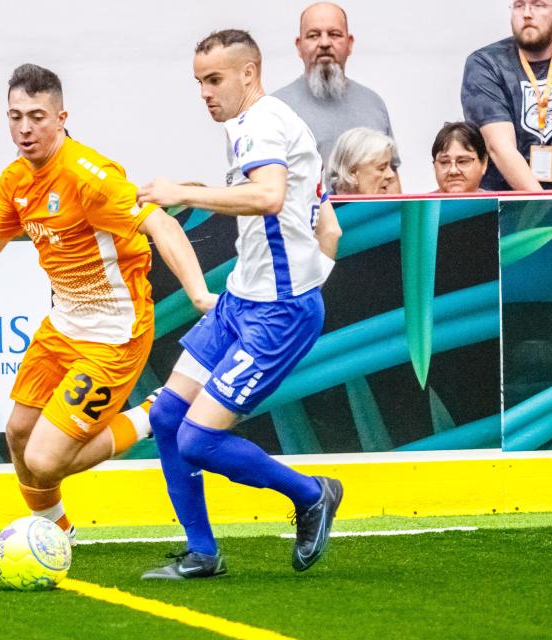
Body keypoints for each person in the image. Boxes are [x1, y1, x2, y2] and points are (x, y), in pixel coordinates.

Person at [0, 63, 215, 542]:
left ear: (61, 118)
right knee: (18, 431)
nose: (25, 128)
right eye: (15, 116)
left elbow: (161, 223)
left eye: (36, 116)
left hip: (113, 336)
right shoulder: (16, 180)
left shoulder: (87, 175)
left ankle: (154, 414)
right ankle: (54, 528)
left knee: (42, 459)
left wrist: (199, 294)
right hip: (63, 327)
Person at [136, 29, 343, 579]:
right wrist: (312, 277)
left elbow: (269, 196)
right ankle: (202, 553)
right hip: (243, 301)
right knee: (167, 414)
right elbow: (331, 226)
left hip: (276, 314)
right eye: (199, 81)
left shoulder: (261, 124)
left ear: (249, 74)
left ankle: (311, 495)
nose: (205, 92)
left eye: (215, 79)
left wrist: (182, 193)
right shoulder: (257, 126)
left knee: (198, 440)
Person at [461, 0, 552, 191]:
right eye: (519, 5)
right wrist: (542, 205)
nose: (527, 13)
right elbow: (499, 147)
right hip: (508, 206)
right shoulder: (485, 63)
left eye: (538, 5)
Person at [273, 2, 400, 191]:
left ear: (350, 44)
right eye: (314, 35)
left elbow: (391, 182)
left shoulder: (373, 104)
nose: (324, 43)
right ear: (299, 46)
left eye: (334, 34)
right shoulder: (276, 108)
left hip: (366, 220)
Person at [327, 127, 398, 195]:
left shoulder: (392, 206)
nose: (391, 175)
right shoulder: (322, 206)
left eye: (390, 166)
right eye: (382, 168)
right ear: (352, 173)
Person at [431, 122, 489, 194]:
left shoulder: (498, 204)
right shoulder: (419, 204)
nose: (453, 171)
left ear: (484, 163)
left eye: (462, 161)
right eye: (444, 162)